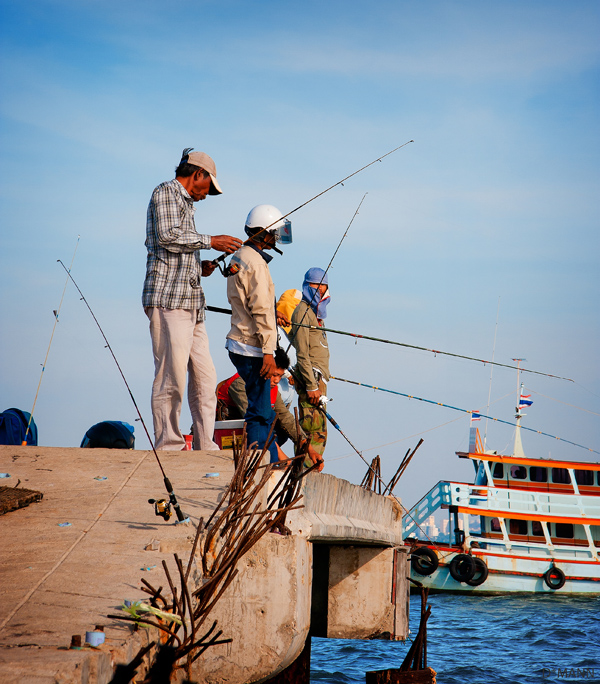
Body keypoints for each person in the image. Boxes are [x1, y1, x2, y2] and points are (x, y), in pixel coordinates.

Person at [143, 148, 243, 451]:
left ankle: (205, 445)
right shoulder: (165, 192)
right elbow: (167, 236)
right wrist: (211, 241)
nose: (207, 194)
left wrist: (203, 267)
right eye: (208, 187)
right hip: (168, 301)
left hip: (191, 306)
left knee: (205, 378)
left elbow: (177, 252)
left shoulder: (186, 204)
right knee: (170, 377)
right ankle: (169, 445)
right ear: (197, 174)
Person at [225, 204, 292, 463]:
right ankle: (261, 461)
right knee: (261, 412)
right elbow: (261, 308)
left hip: (239, 342)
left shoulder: (240, 256)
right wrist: (268, 352)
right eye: (274, 233)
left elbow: (248, 302)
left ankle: (269, 457)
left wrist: (272, 314)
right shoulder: (256, 263)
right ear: (264, 233)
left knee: (259, 408)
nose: (276, 238)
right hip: (252, 347)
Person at [216, 349, 324, 469]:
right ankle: (272, 460)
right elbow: (256, 422)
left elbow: (286, 418)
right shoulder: (240, 384)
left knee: (281, 424)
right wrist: (285, 460)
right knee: (264, 419)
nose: (277, 380)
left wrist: (309, 449)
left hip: (255, 431)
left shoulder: (272, 388)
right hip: (229, 432)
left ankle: (273, 457)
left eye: (280, 376)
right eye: (274, 375)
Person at [289, 268, 331, 459]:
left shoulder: (316, 315)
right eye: (316, 285)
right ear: (307, 285)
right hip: (311, 380)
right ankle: (304, 471)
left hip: (318, 379)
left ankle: (313, 468)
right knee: (312, 429)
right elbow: (302, 353)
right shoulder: (302, 312)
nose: (320, 289)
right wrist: (311, 385)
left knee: (320, 431)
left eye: (324, 285)